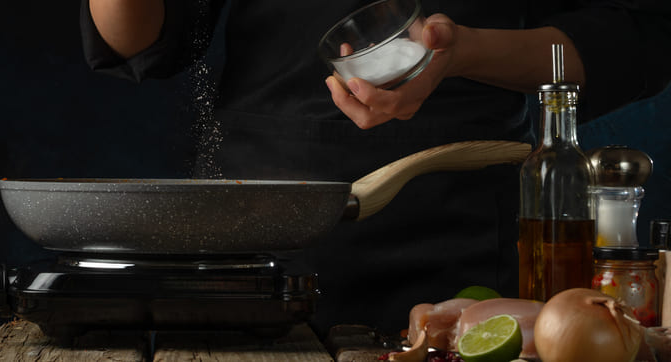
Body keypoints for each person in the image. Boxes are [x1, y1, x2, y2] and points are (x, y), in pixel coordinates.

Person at [80, 0, 671, 336]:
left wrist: (462, 50)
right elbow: (140, 41)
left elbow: (627, 40)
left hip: (462, 221)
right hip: (265, 220)